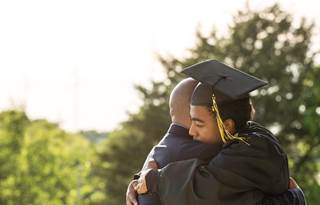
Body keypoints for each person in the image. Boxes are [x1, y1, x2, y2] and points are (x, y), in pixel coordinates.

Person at [132, 60, 306, 205]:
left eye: (199, 124)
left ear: (227, 125)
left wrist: (155, 180)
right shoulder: (245, 137)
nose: (192, 131)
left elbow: (208, 188)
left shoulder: (253, 146)